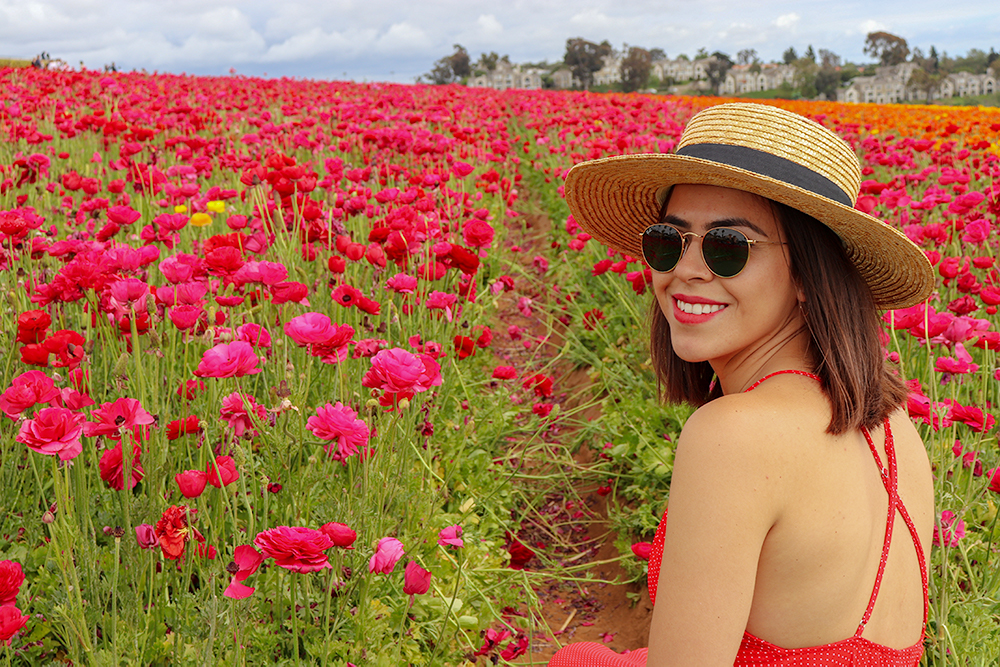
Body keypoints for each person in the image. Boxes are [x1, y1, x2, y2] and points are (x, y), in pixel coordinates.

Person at [548, 103, 935, 666]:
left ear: (807, 273)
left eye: (727, 248)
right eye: (667, 241)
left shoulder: (734, 436)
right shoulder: (892, 420)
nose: (686, 269)